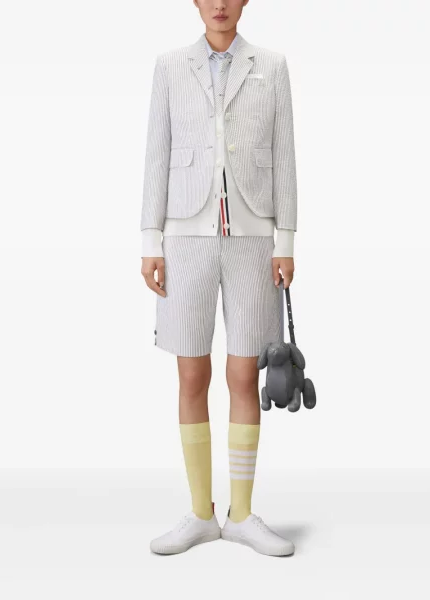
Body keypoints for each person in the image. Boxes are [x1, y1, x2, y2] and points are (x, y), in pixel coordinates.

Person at [140, 0, 297, 556]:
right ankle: (201, 514)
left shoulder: (272, 66)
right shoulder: (169, 66)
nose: (220, 4)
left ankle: (243, 515)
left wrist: (285, 241)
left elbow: (285, 156)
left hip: (254, 240)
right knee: (191, 375)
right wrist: (150, 240)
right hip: (183, 239)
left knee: (244, 375)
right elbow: (156, 154)